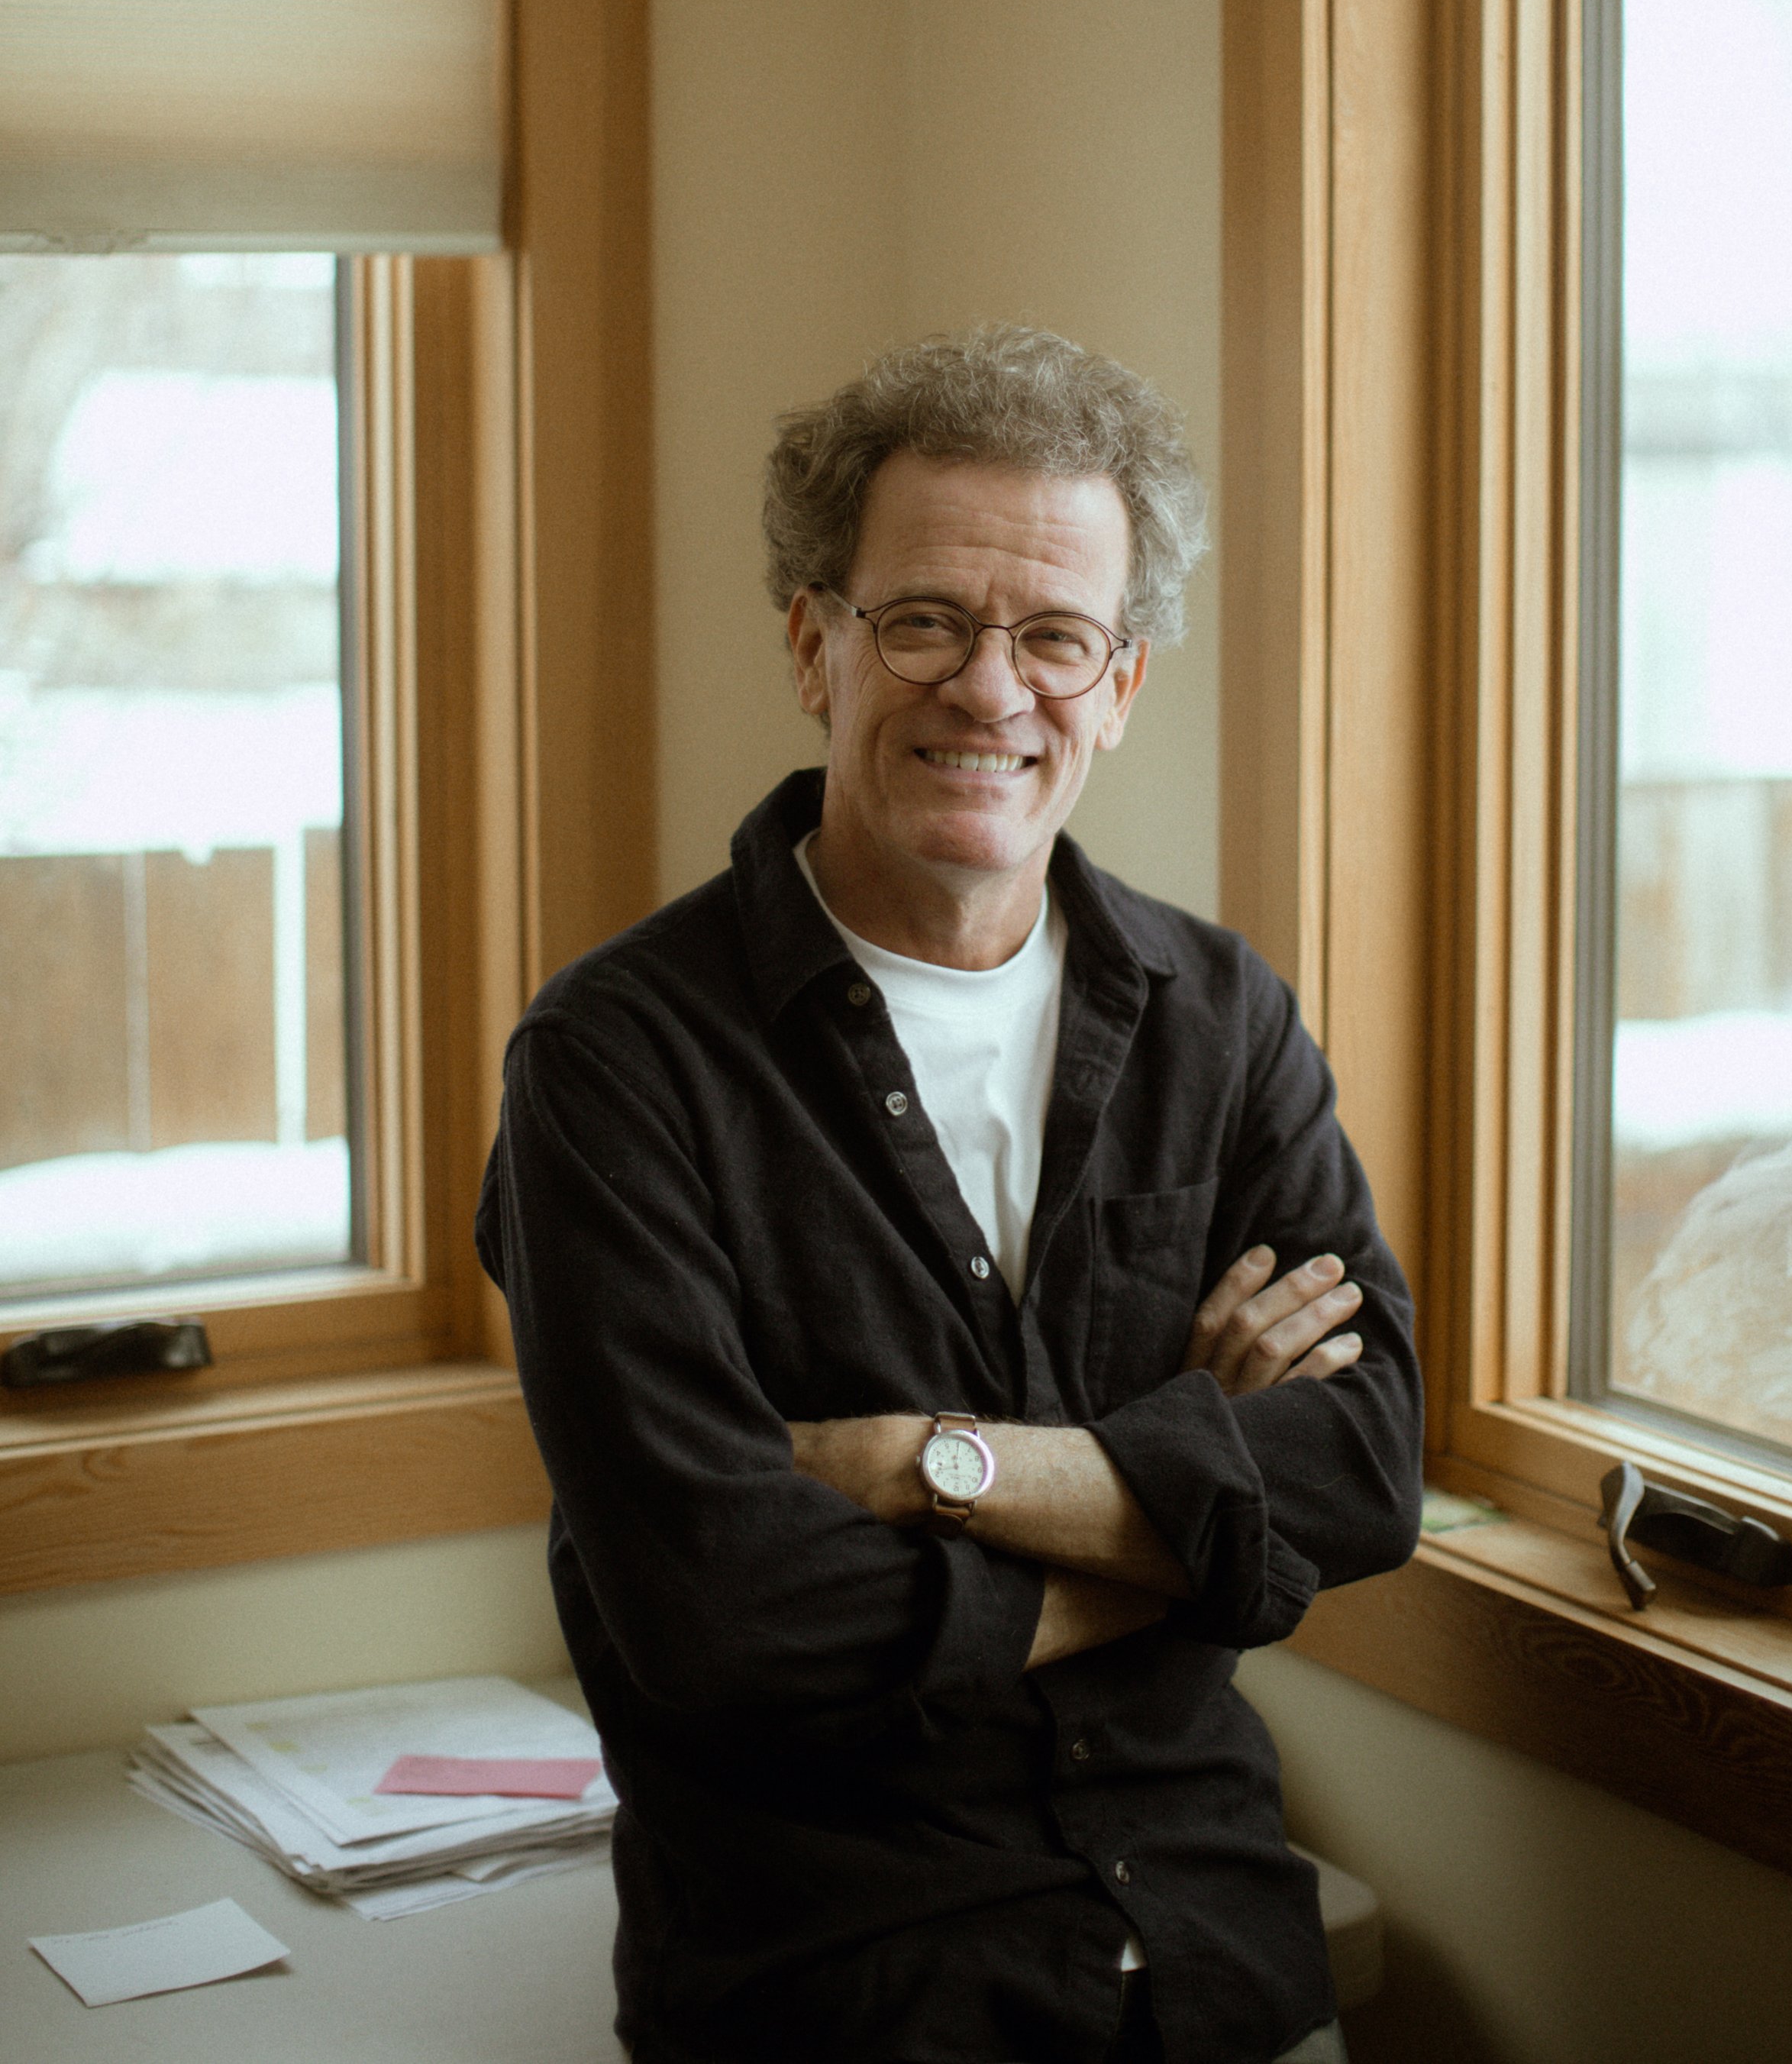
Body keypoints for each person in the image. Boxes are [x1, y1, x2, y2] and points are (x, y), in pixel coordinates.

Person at [477, 325, 1421, 2064]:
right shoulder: (613, 1067)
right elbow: (721, 1618)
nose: (993, 692)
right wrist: (1196, 1525)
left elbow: (1362, 1476)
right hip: (845, 1993)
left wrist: (936, 1467)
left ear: (1121, 685)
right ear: (810, 645)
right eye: (925, 621)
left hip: (1220, 1962)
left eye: (1056, 635)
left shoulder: (1220, 1021)